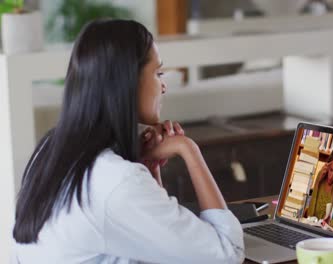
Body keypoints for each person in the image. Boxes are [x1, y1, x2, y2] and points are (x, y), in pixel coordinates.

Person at [12, 19, 244, 264]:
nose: (163, 86)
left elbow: (160, 246)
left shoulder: (51, 150)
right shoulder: (116, 180)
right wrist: (189, 150)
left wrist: (151, 168)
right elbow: (227, 253)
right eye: (158, 73)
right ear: (127, 82)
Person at [307, 143, 333, 227]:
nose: (331, 176)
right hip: (312, 226)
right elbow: (309, 214)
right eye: (331, 170)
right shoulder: (321, 177)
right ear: (327, 166)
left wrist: (330, 223)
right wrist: (317, 182)